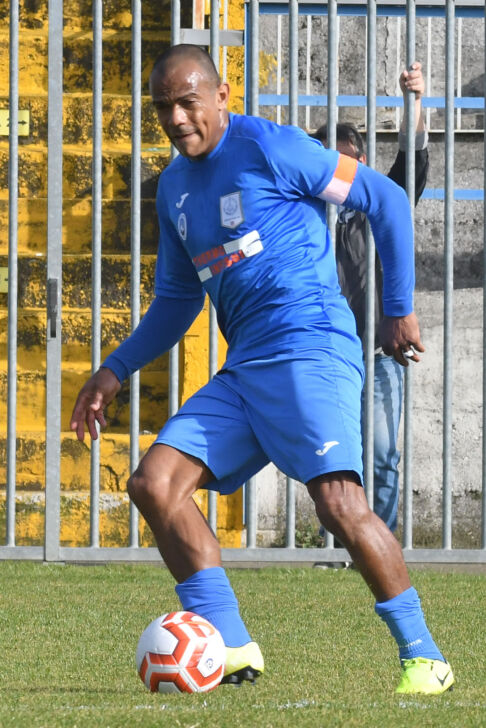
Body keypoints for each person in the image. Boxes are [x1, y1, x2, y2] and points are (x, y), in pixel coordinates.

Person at [70, 44, 453, 695]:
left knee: (339, 503)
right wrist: (114, 369)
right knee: (155, 484)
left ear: (221, 96)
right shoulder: (174, 188)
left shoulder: (272, 148)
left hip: (311, 347)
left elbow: (386, 198)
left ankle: (424, 656)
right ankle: (231, 645)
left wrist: (398, 310)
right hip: (246, 367)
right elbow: (177, 300)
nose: (176, 118)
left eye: (188, 102)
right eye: (163, 107)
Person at [312, 62, 429, 534]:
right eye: (329, 160)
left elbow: (413, 160)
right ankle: (336, 549)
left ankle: (379, 547)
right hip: (325, 355)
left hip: (377, 356)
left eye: (347, 160)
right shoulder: (303, 214)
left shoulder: (377, 206)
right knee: (333, 461)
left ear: (361, 162)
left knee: (381, 456)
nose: (340, 170)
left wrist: (413, 102)